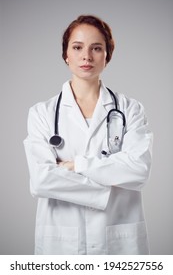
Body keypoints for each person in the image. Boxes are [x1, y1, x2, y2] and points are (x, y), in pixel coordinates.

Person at [24, 15, 153, 255]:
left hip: (119, 242)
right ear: (66, 55)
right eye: (77, 47)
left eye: (96, 48)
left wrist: (75, 166)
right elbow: (41, 180)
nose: (86, 56)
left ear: (107, 56)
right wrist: (107, 186)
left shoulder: (130, 109)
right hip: (62, 242)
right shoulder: (42, 113)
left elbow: (139, 169)